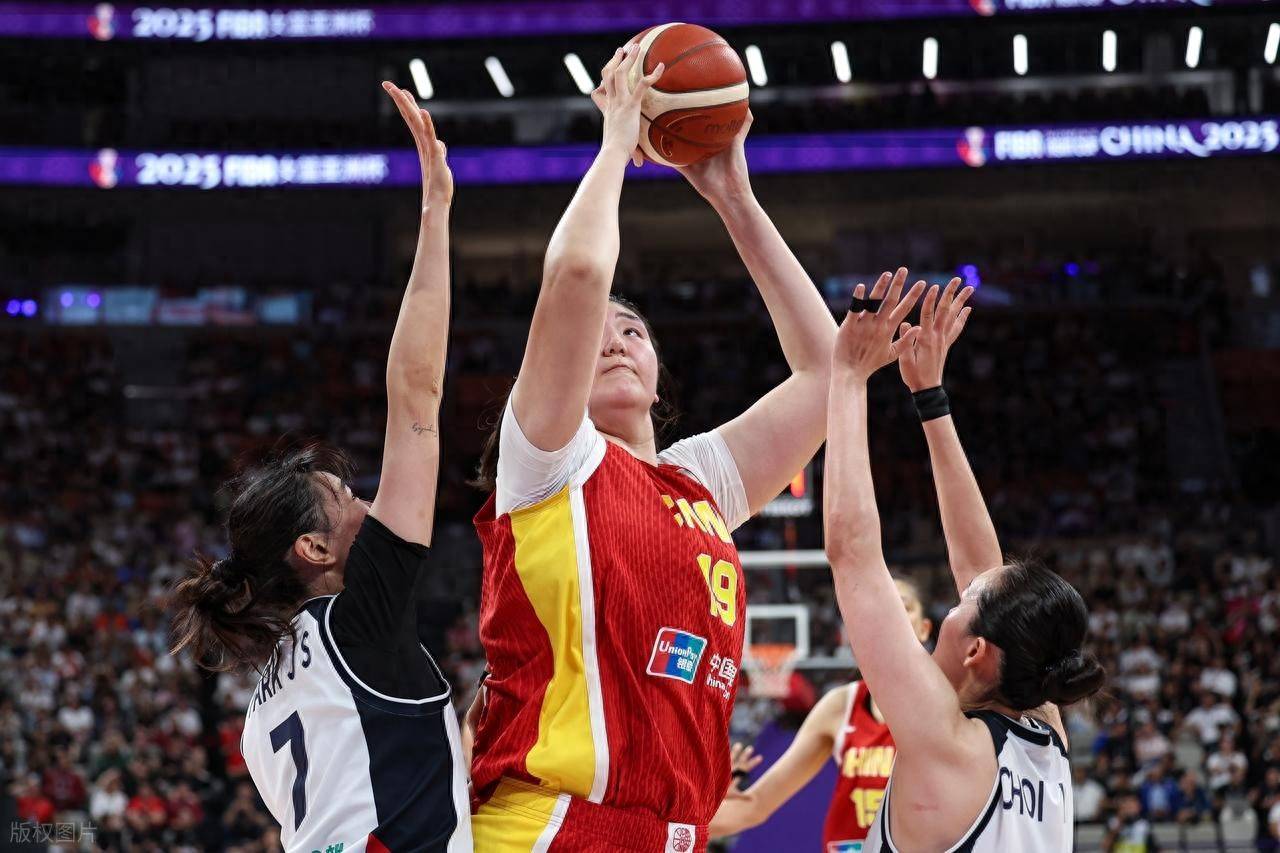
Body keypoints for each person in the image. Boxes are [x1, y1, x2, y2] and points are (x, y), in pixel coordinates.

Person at [468, 44, 839, 852]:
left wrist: (734, 197)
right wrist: (616, 138)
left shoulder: (697, 480)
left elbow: (828, 374)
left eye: (633, 330)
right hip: (552, 825)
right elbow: (576, 273)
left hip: (678, 834)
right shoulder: (549, 459)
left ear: (659, 367)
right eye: (597, 333)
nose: (614, 341)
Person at [168, 83, 471, 853]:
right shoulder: (357, 618)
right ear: (314, 547)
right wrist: (436, 211)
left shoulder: (258, 713)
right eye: (346, 495)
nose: (368, 503)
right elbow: (416, 397)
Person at [823, 277, 1106, 851]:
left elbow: (854, 556)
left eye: (964, 601)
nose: (959, 593)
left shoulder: (945, 743)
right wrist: (930, 398)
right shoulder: (1044, 729)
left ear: (977, 650)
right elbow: (983, 569)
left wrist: (848, 377)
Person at [707, 578, 933, 850]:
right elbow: (754, 806)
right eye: (881, 604)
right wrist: (701, 809)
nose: (891, 613)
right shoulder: (840, 706)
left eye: (903, 606)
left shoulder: (949, 703)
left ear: (925, 628)